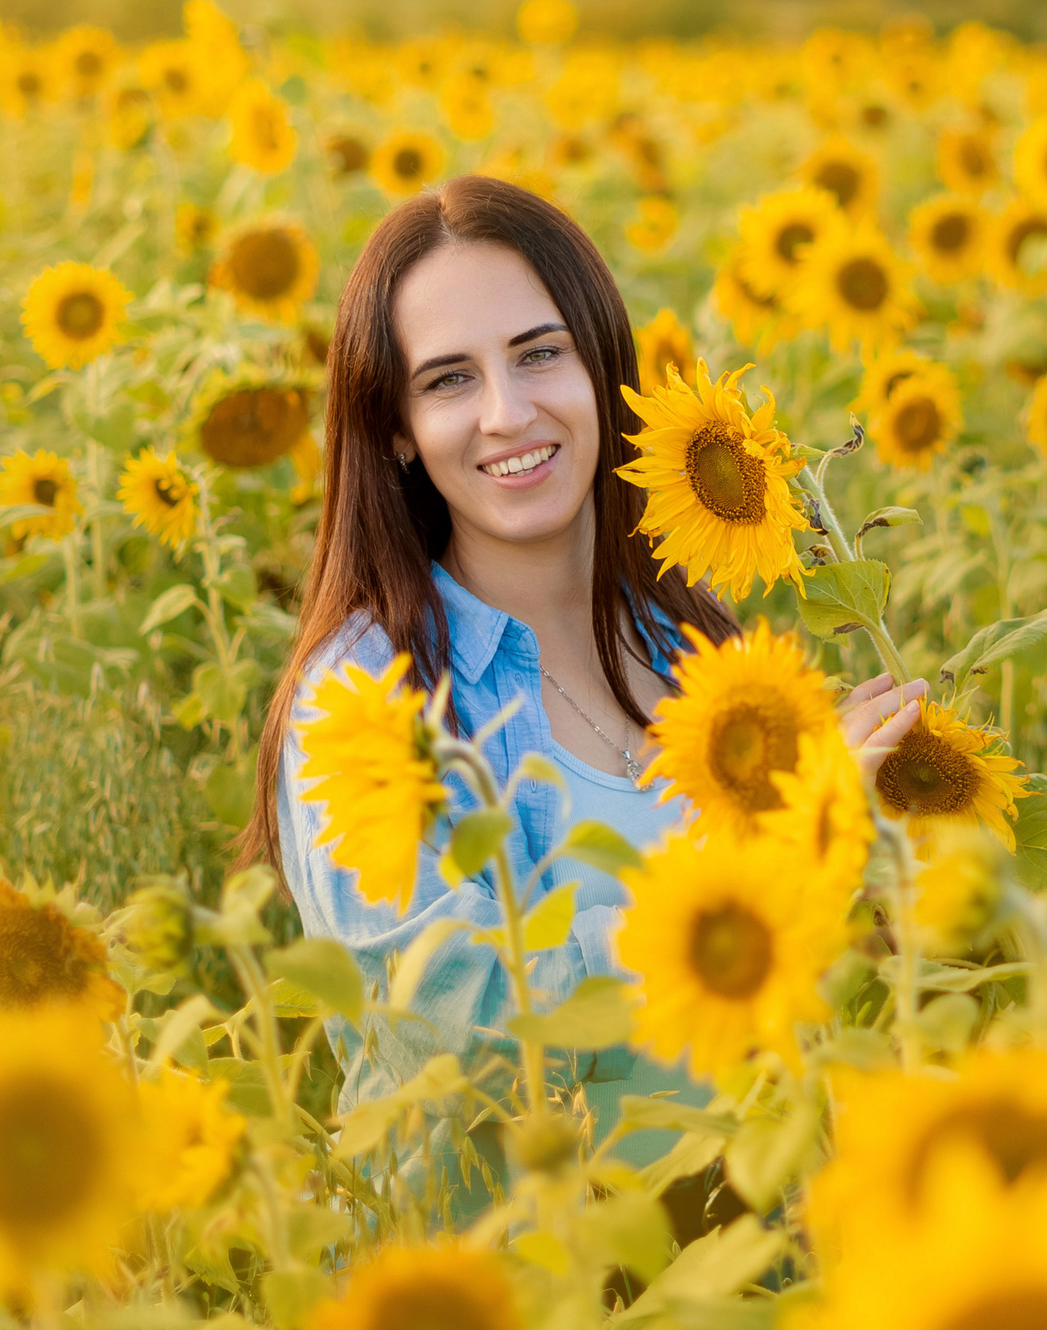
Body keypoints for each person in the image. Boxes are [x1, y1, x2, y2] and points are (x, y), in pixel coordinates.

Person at [239, 175, 925, 1126]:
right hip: (535, 1217)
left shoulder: (689, 631)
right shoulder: (361, 699)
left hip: (757, 1202)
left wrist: (907, 933)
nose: (507, 412)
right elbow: (450, 1030)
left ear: (601, 365)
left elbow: (787, 979)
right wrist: (771, 875)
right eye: (449, 379)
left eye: (539, 353)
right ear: (396, 428)